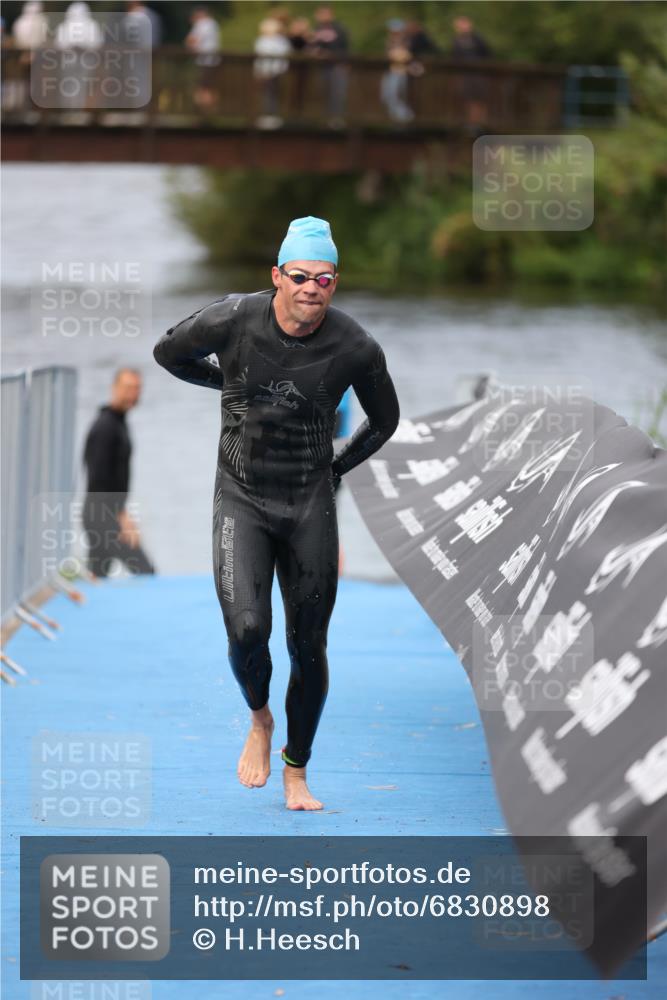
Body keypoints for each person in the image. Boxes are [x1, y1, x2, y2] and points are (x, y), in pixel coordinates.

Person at [153, 217, 400, 811]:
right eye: (299, 276)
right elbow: (167, 353)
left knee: (308, 645)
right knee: (247, 632)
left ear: (334, 284)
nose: (311, 287)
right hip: (241, 495)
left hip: (310, 501)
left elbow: (385, 420)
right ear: (277, 277)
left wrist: (338, 469)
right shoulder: (233, 318)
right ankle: (259, 719)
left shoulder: (355, 347)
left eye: (324, 277)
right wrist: (225, 384)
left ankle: (297, 769)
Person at [82, 368, 155, 579]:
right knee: (146, 573)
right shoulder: (106, 427)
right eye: (128, 388)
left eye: (137, 388)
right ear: (114, 389)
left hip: (101, 513)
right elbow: (97, 478)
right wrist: (121, 518)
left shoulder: (118, 422)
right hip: (103, 515)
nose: (133, 393)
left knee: (97, 576)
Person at [451, 15, 492, 131]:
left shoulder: (477, 39)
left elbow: (487, 54)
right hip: (465, 74)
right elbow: (455, 58)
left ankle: (481, 123)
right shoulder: (457, 41)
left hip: (479, 73)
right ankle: (472, 122)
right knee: (468, 98)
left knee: (480, 98)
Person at [310, 5, 348, 126]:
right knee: (323, 92)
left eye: (325, 13)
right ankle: (324, 119)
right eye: (320, 13)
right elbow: (313, 46)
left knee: (337, 93)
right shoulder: (316, 29)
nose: (322, 16)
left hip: (337, 65)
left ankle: (336, 119)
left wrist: (331, 55)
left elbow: (345, 48)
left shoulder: (339, 29)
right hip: (322, 67)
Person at [253, 16, 290, 129]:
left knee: (272, 94)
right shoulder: (261, 40)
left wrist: (279, 70)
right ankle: (266, 116)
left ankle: (272, 117)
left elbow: (283, 56)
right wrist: (258, 71)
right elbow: (258, 57)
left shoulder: (281, 40)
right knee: (266, 94)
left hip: (275, 72)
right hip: (264, 72)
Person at [185, 6, 221, 112]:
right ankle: (209, 111)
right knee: (209, 86)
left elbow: (192, 40)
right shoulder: (213, 23)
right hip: (212, 60)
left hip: (204, 61)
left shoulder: (203, 24)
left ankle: (203, 112)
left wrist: (188, 46)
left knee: (203, 87)